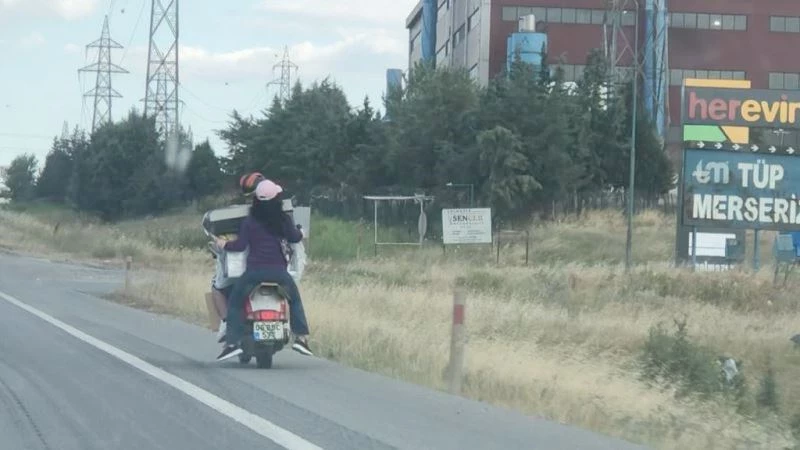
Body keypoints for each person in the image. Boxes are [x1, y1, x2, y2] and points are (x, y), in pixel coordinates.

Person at [214, 178, 313, 361]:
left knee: (235, 301)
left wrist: (223, 244)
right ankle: (301, 338)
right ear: (277, 199)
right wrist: (301, 232)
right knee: (295, 301)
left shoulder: (250, 222)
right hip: (279, 274)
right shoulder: (283, 219)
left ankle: (232, 344)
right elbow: (294, 237)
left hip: (254, 273)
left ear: (256, 200)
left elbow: (240, 246)